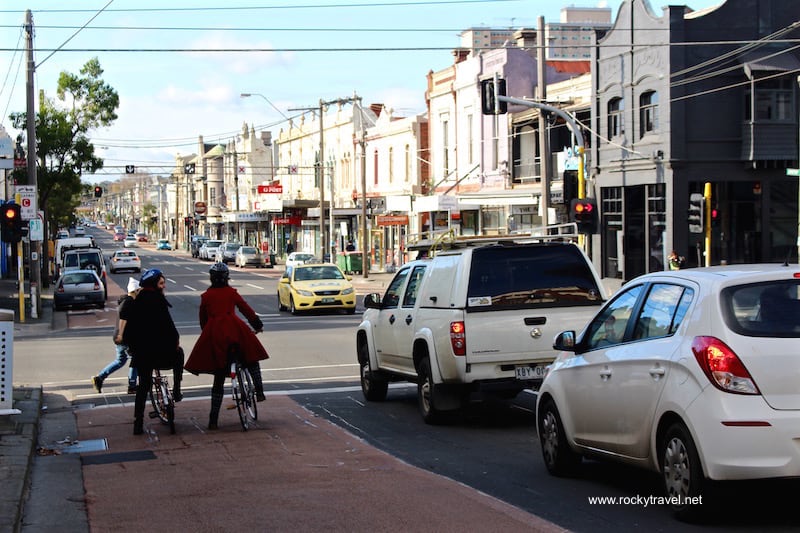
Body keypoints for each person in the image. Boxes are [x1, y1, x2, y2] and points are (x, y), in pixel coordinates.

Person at [185, 262, 269, 430]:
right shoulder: (232, 293)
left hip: (215, 332)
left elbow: (203, 320)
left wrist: (207, 333)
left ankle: (213, 419)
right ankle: (259, 391)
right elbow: (247, 310)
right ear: (226, 277)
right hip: (235, 329)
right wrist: (257, 325)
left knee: (218, 377)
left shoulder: (206, 296)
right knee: (252, 356)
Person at [122, 269, 183, 435]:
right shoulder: (158, 300)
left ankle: (138, 423)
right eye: (161, 283)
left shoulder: (136, 301)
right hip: (163, 354)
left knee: (143, 387)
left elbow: (129, 330)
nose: (163, 286)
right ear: (154, 284)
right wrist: (175, 342)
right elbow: (169, 327)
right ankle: (177, 389)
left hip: (143, 356)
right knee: (180, 354)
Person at [92, 278, 140, 394]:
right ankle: (132, 385)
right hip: (125, 338)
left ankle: (100, 378)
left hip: (121, 337)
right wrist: (121, 334)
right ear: (135, 291)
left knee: (120, 360)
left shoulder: (125, 301)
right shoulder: (129, 302)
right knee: (136, 359)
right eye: (139, 290)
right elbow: (123, 320)